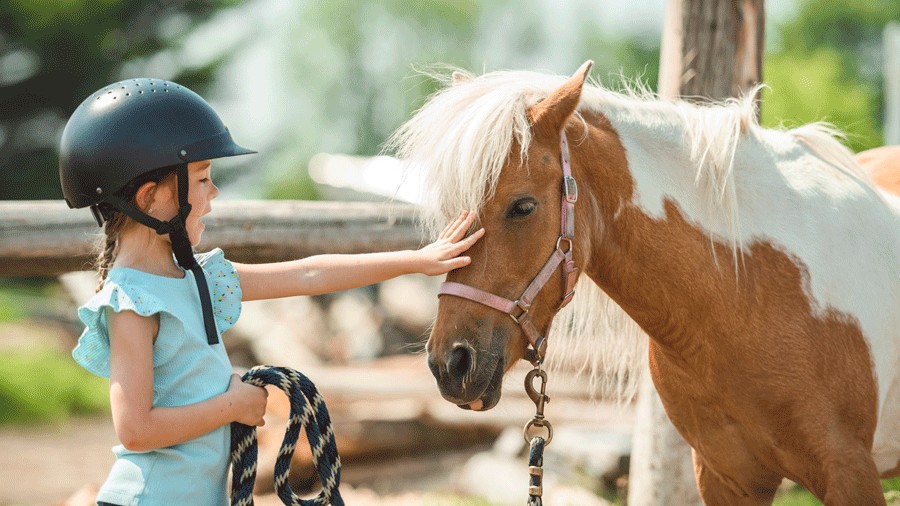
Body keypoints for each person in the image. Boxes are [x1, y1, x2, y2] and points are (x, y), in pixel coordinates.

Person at [58, 78, 484, 506]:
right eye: (202, 178)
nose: (214, 191)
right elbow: (135, 430)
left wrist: (416, 260)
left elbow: (308, 275)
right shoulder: (131, 302)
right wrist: (233, 406)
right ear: (152, 198)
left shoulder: (198, 278)